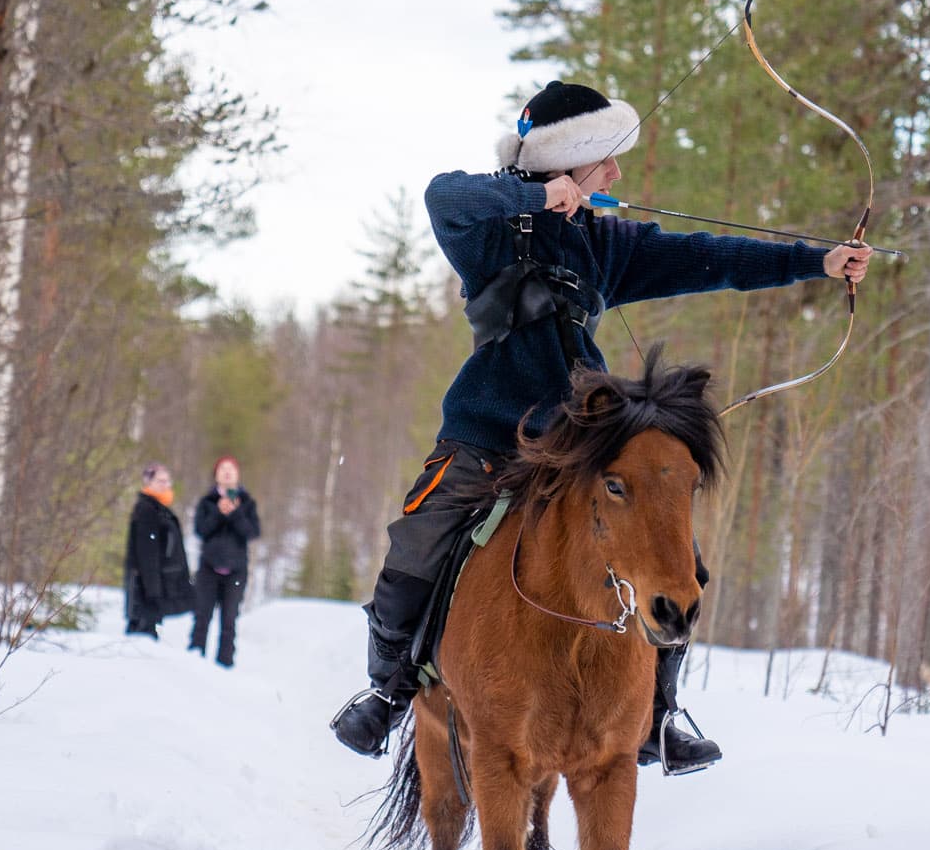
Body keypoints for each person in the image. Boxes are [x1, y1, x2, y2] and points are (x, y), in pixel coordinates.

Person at [328, 79, 870, 771]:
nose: (616, 174)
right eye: (605, 159)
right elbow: (443, 195)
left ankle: (657, 718)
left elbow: (714, 258)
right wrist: (535, 195)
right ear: (567, 158)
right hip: (487, 441)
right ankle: (389, 694)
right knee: (416, 544)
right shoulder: (491, 228)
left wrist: (816, 261)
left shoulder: (604, 245)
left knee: (677, 561)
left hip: (580, 454)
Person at [189, 456, 261, 666]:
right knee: (202, 617)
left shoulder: (247, 503)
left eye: (231, 468)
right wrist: (219, 513)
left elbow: (252, 532)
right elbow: (201, 530)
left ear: (237, 474)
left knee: (229, 621)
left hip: (236, 571)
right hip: (208, 569)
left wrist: (236, 513)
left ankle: (225, 665)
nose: (227, 472)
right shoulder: (207, 501)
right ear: (216, 474)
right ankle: (193, 659)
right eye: (223, 468)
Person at [123, 463, 193, 639]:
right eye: (160, 481)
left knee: (150, 631)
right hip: (144, 586)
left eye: (167, 481)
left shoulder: (160, 509)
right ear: (148, 482)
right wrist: (153, 591)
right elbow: (147, 554)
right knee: (141, 633)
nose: (165, 484)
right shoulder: (147, 509)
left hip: (158, 583)